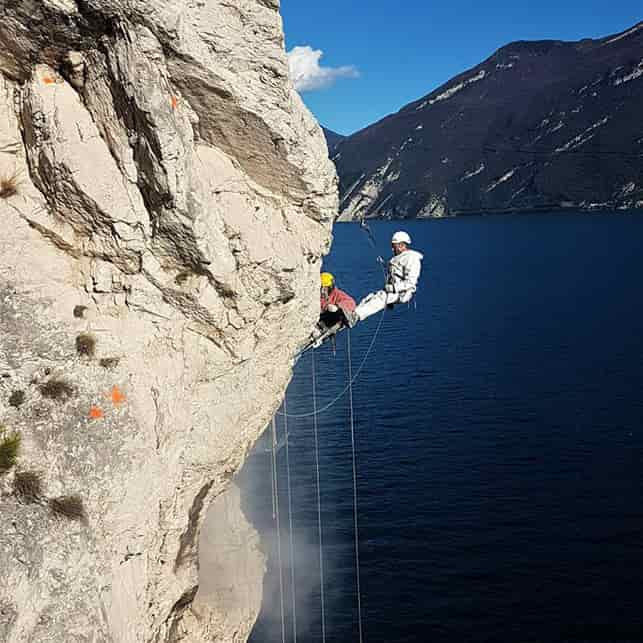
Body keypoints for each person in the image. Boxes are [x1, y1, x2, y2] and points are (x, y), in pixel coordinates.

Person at [354, 231, 423, 321]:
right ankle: (353, 313)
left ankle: (357, 315)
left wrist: (393, 288)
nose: (392, 249)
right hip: (393, 290)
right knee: (370, 297)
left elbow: (411, 282)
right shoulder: (400, 257)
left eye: (394, 247)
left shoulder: (412, 259)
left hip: (401, 292)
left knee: (380, 299)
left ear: (402, 245)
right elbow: (397, 271)